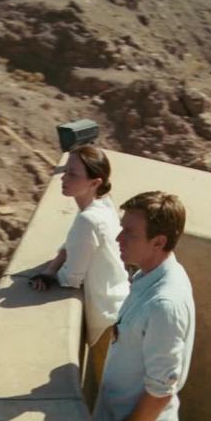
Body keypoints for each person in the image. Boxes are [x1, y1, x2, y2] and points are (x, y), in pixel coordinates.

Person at [93, 191, 195, 421]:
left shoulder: (164, 305)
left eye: (130, 233)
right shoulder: (149, 275)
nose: (119, 238)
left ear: (158, 242)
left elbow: (160, 391)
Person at [29, 145, 130, 386]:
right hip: (121, 306)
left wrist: (50, 276)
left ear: (95, 182)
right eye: (65, 171)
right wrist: (52, 267)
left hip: (108, 321)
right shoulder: (102, 204)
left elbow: (72, 278)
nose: (63, 178)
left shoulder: (88, 219)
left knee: (109, 393)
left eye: (73, 174)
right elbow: (73, 244)